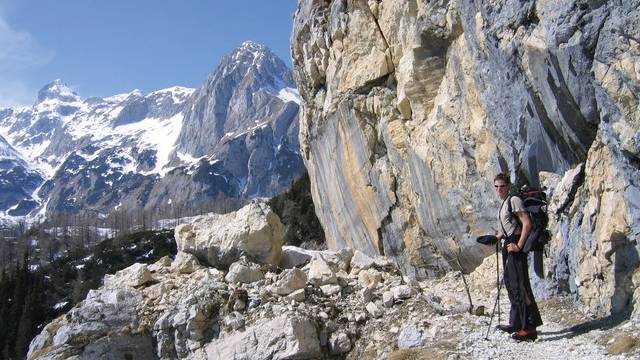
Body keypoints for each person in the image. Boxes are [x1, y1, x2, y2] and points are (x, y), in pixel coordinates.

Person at [494, 173, 543, 341]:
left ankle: (529, 327)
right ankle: (515, 323)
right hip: (508, 244)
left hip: (515, 245)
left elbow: (527, 223)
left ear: (508, 186)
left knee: (521, 286)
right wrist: (496, 237)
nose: (499, 189)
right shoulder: (504, 203)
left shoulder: (514, 200)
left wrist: (519, 246)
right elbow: (508, 226)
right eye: (496, 186)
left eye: (502, 186)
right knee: (512, 284)